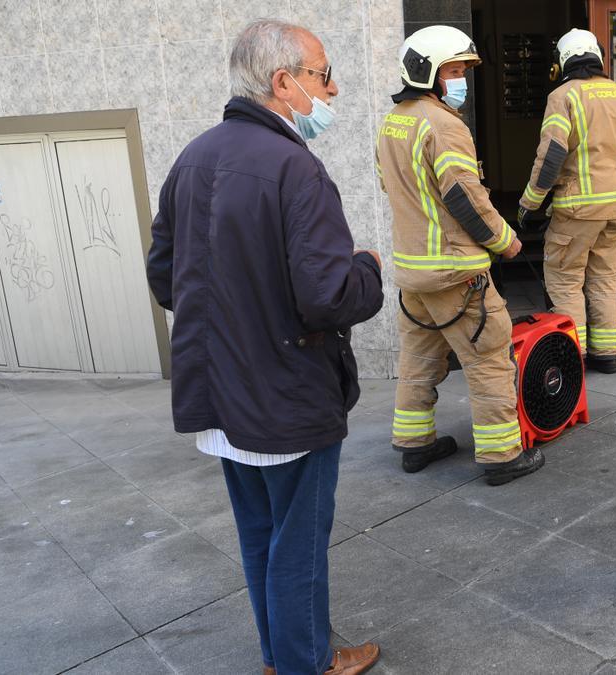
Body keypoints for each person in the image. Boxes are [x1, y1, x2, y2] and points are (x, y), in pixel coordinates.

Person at [146, 19, 384, 675]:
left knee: (261, 536)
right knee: (297, 544)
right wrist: (366, 266)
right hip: (285, 396)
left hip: (219, 392)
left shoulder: (192, 158)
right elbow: (329, 296)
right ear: (283, 82)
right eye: (322, 74)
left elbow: (163, 275)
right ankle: (308, 662)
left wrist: (233, 313)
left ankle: (283, 656)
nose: (332, 88)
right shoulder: (294, 168)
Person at [377, 25, 544, 485]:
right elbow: (464, 198)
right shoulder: (444, 126)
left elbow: (392, 188)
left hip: (413, 273)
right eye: (453, 70)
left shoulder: (393, 122)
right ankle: (501, 455)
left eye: (463, 70)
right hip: (455, 272)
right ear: (427, 72)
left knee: (418, 359)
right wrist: (506, 241)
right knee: (489, 359)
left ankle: (414, 444)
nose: (461, 80)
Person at [518, 28, 616, 373]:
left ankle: (571, 358)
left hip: (576, 209)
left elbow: (552, 156)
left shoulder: (563, 96)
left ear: (563, 61)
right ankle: (606, 356)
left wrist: (529, 204)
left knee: (565, 281)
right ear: (598, 56)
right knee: (605, 280)